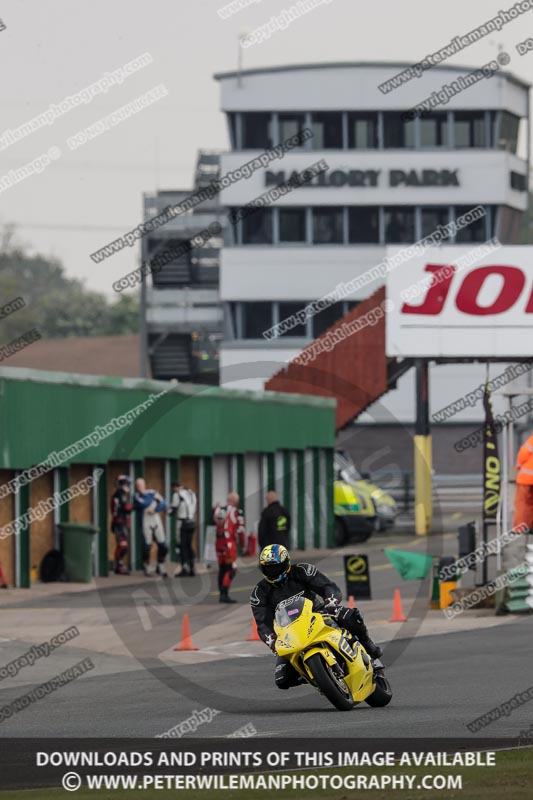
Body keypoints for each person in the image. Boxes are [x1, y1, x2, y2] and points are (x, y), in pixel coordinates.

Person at [250, 544, 382, 690]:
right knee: (282, 679)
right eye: (267, 568)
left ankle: (367, 644)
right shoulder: (259, 592)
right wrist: (272, 641)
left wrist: (330, 603)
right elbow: (262, 623)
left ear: (286, 563)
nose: (272, 572)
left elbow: (327, 586)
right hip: (289, 630)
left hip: (317, 613)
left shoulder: (302, 570)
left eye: (275, 567)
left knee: (352, 616)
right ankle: (316, 676)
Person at [214, 492, 245, 603]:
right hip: (229, 544)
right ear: (235, 501)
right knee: (231, 568)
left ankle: (222, 593)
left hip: (218, 543)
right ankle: (224, 594)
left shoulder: (218, 509)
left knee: (222, 568)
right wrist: (243, 544)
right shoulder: (236, 511)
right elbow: (240, 530)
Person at [133, 477, 169, 576]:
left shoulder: (152, 492)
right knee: (146, 546)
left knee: (164, 546)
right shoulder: (136, 496)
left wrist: (156, 509)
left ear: (145, 485)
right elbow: (144, 504)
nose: (139, 487)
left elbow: (164, 503)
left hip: (156, 520)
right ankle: (147, 566)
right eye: (137, 485)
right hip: (145, 522)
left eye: (141, 485)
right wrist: (153, 499)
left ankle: (160, 565)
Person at [169, 481, 198, 577]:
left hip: (182, 523)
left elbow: (172, 510)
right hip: (191, 522)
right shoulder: (191, 493)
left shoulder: (177, 495)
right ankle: (192, 567)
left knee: (181, 546)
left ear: (175, 487)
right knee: (189, 545)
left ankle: (185, 568)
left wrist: (167, 510)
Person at [110, 474, 132, 574]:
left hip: (122, 522)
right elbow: (127, 508)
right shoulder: (119, 495)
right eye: (126, 484)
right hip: (119, 523)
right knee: (122, 546)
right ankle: (118, 566)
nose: (127, 486)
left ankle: (119, 565)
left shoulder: (122, 495)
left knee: (123, 546)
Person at [513, 431, 533, 532]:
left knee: (523, 503)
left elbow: (524, 452)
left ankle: (521, 528)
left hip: (526, 478)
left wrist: (519, 465)